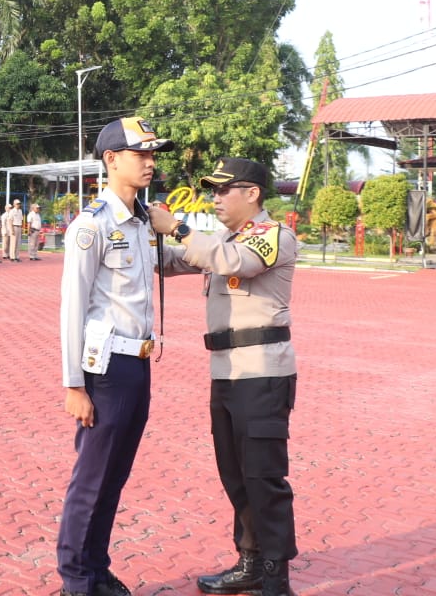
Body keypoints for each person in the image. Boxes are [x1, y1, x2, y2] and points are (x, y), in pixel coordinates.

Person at [149, 158, 299, 596]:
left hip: (262, 372)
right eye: (212, 191)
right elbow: (176, 260)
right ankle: (249, 560)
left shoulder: (273, 236)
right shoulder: (223, 239)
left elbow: (233, 261)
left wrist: (176, 227)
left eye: (223, 191)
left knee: (263, 475)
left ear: (251, 194)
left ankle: (275, 577)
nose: (215, 199)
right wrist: (143, 231)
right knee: (234, 473)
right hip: (228, 371)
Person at [56, 116, 173, 596]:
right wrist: (73, 384)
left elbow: (170, 264)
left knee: (114, 477)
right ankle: (75, 580)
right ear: (111, 160)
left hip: (138, 365)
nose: (149, 163)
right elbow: (72, 307)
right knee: (91, 480)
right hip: (104, 370)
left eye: (152, 154)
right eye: (140, 154)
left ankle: (96, 568)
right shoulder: (92, 226)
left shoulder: (145, 222)